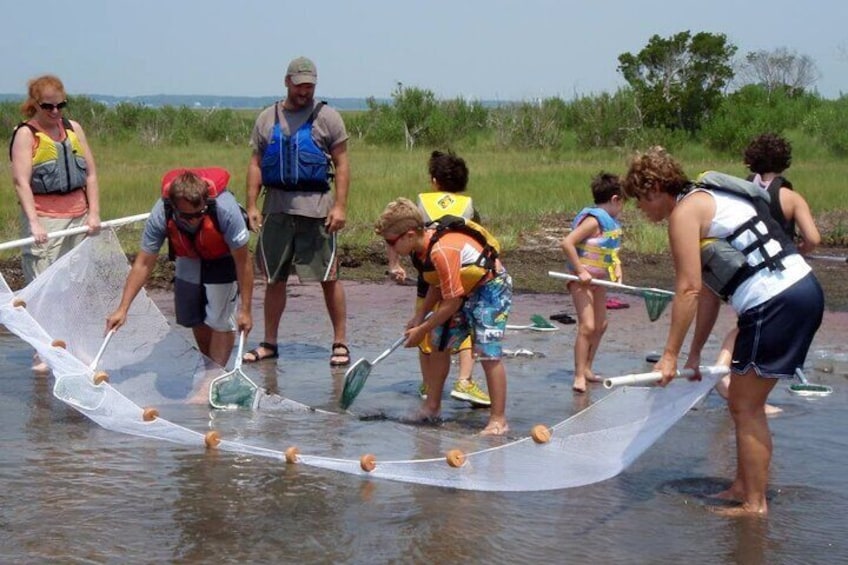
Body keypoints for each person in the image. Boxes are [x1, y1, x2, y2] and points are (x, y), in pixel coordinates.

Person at [622, 147, 824, 516]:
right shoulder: (708, 200)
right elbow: (710, 296)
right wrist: (695, 355)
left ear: (653, 189)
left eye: (640, 201)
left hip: (775, 300)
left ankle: (754, 504)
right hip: (797, 292)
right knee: (743, 403)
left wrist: (669, 356)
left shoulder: (684, 212)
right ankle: (742, 486)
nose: (641, 210)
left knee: (746, 406)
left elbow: (687, 289)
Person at [242, 56, 350, 367]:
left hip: (317, 209)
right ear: (287, 81)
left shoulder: (327, 118)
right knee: (274, 279)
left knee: (330, 277)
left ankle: (340, 342)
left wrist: (340, 206)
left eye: (310, 85)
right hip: (276, 208)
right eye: (300, 84)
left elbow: (342, 164)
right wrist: (251, 205)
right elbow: (255, 164)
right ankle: (269, 343)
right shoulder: (267, 118)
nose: (305, 91)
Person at [375, 198, 512, 435]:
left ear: (409, 235)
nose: (389, 248)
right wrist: (419, 318)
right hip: (461, 289)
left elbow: (451, 303)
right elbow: (436, 285)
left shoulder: (441, 251)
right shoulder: (420, 251)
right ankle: (432, 407)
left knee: (488, 352)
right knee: (439, 341)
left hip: (490, 287)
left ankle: (499, 420)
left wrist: (422, 330)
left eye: (390, 242)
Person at [106, 168, 253, 367]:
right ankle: (209, 362)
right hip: (188, 256)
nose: (195, 219)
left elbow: (244, 262)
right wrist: (122, 309)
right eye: (187, 216)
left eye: (200, 213)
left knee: (219, 317)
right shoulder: (161, 212)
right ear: (174, 207)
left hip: (223, 256)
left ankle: (213, 374)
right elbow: (143, 263)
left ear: (206, 202)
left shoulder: (225, 210)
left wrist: (245, 310)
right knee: (192, 315)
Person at [714, 133, 822, 405]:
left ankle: (727, 373)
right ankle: (722, 372)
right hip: (775, 274)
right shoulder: (790, 197)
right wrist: (798, 252)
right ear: (784, 162)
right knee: (746, 328)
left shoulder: (738, 188)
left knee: (745, 324)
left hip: (738, 269)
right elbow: (813, 239)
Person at [9, 74, 102, 372]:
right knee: (44, 287)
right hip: (45, 221)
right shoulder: (26, 134)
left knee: (76, 285)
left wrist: (94, 213)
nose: (55, 112)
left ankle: (76, 346)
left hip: (77, 215)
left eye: (60, 105)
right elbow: (21, 182)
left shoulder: (74, 129)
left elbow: (90, 174)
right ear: (35, 105)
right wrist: (35, 223)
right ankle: (43, 350)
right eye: (48, 106)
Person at [386, 150, 490, 407]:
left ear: (433, 180)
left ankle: (428, 383)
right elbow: (478, 236)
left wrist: (394, 263)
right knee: (463, 325)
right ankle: (465, 379)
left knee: (424, 328)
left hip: (429, 274)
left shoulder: (421, 202)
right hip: (462, 273)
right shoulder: (468, 205)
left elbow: (396, 230)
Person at [559, 172, 624, 393]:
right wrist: (580, 271)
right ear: (615, 199)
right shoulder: (593, 220)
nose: (623, 208)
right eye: (623, 202)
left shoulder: (611, 223)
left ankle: (587, 368)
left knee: (601, 325)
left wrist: (616, 268)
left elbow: (610, 251)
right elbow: (567, 243)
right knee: (587, 326)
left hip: (600, 279)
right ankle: (578, 375)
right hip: (581, 281)